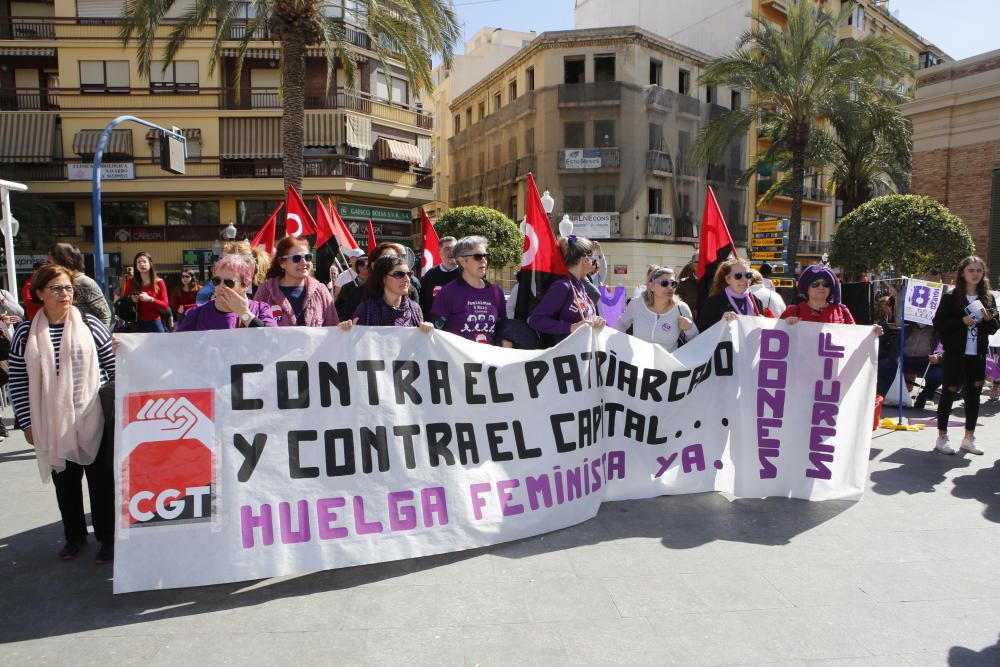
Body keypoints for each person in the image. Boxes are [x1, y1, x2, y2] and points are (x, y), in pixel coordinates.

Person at [8, 264, 116, 563]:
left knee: (101, 481)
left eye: (68, 288)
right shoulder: (24, 333)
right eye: (56, 288)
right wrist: (27, 422)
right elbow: (18, 379)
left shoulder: (91, 325)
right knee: (66, 483)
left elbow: (113, 367)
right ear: (40, 293)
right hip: (51, 420)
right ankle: (75, 537)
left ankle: (108, 538)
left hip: (93, 416)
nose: (65, 294)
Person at [932, 256, 999, 455]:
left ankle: (969, 438)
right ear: (963, 272)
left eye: (979, 270)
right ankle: (942, 437)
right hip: (955, 354)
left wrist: (987, 320)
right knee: (949, 393)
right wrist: (962, 320)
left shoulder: (988, 297)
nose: (975, 274)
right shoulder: (951, 297)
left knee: (974, 395)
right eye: (971, 270)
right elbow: (939, 324)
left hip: (977, 355)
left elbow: (994, 327)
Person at [432, 235, 510, 345]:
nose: (483, 260)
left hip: (490, 360)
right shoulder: (448, 292)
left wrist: (506, 342)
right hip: (458, 360)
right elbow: (435, 331)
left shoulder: (496, 292)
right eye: (478, 256)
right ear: (463, 261)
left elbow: (503, 326)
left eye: (486, 256)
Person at [528, 235, 606, 343]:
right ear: (585, 260)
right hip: (565, 355)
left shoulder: (580, 287)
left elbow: (585, 319)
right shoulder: (562, 286)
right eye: (593, 259)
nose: (594, 263)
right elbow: (536, 320)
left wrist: (596, 320)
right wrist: (570, 327)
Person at [175, 254, 277, 331]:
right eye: (217, 281)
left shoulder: (260, 309)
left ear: (245, 286)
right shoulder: (197, 313)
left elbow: (274, 339)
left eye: (228, 283)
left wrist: (244, 314)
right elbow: (178, 347)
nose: (220, 287)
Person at [254, 236, 339, 327]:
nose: (304, 262)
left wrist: (344, 328)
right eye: (297, 258)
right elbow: (253, 331)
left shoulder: (321, 291)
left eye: (307, 257)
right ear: (282, 263)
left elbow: (333, 328)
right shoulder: (266, 292)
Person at [339, 255, 434, 331]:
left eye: (408, 274)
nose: (407, 279)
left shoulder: (415, 309)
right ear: (383, 278)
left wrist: (426, 329)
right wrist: (346, 329)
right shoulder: (365, 309)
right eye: (399, 274)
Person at [615, 265, 698, 352]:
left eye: (673, 284)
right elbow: (621, 324)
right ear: (651, 286)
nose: (670, 287)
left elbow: (695, 340)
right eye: (664, 283)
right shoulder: (636, 304)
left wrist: (690, 328)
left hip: (667, 363)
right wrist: (621, 346)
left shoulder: (681, 308)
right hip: (638, 362)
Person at [47, 244, 112, 327]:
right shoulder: (52, 283)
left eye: (50, 263)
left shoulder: (84, 283)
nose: (48, 267)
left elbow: (105, 315)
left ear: (62, 260)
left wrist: (96, 337)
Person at [696, 258, 768, 330]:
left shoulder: (756, 301)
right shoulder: (713, 303)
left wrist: (764, 323)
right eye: (738, 276)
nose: (745, 279)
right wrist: (720, 323)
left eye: (748, 275)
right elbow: (703, 333)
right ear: (728, 279)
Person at [780, 265, 856, 324]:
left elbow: (854, 337)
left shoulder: (842, 311)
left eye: (826, 284)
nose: (821, 287)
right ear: (807, 288)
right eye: (815, 284)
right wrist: (786, 324)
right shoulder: (792, 312)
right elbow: (776, 338)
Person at [123, 252, 169, 332]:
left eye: (144, 262)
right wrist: (132, 299)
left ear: (150, 264)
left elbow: (165, 305)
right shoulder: (130, 281)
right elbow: (124, 301)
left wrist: (151, 299)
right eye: (139, 262)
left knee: (161, 344)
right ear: (136, 265)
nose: (142, 264)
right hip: (135, 323)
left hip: (154, 322)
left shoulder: (159, 282)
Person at [419, 235, 460, 316]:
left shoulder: (467, 274)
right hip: (435, 325)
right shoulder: (430, 275)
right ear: (439, 251)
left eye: (454, 248)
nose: (451, 252)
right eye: (447, 249)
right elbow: (423, 302)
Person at [335, 254, 371, 322]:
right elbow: (339, 310)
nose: (364, 269)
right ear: (357, 268)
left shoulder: (376, 288)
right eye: (361, 266)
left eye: (367, 267)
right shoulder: (347, 288)